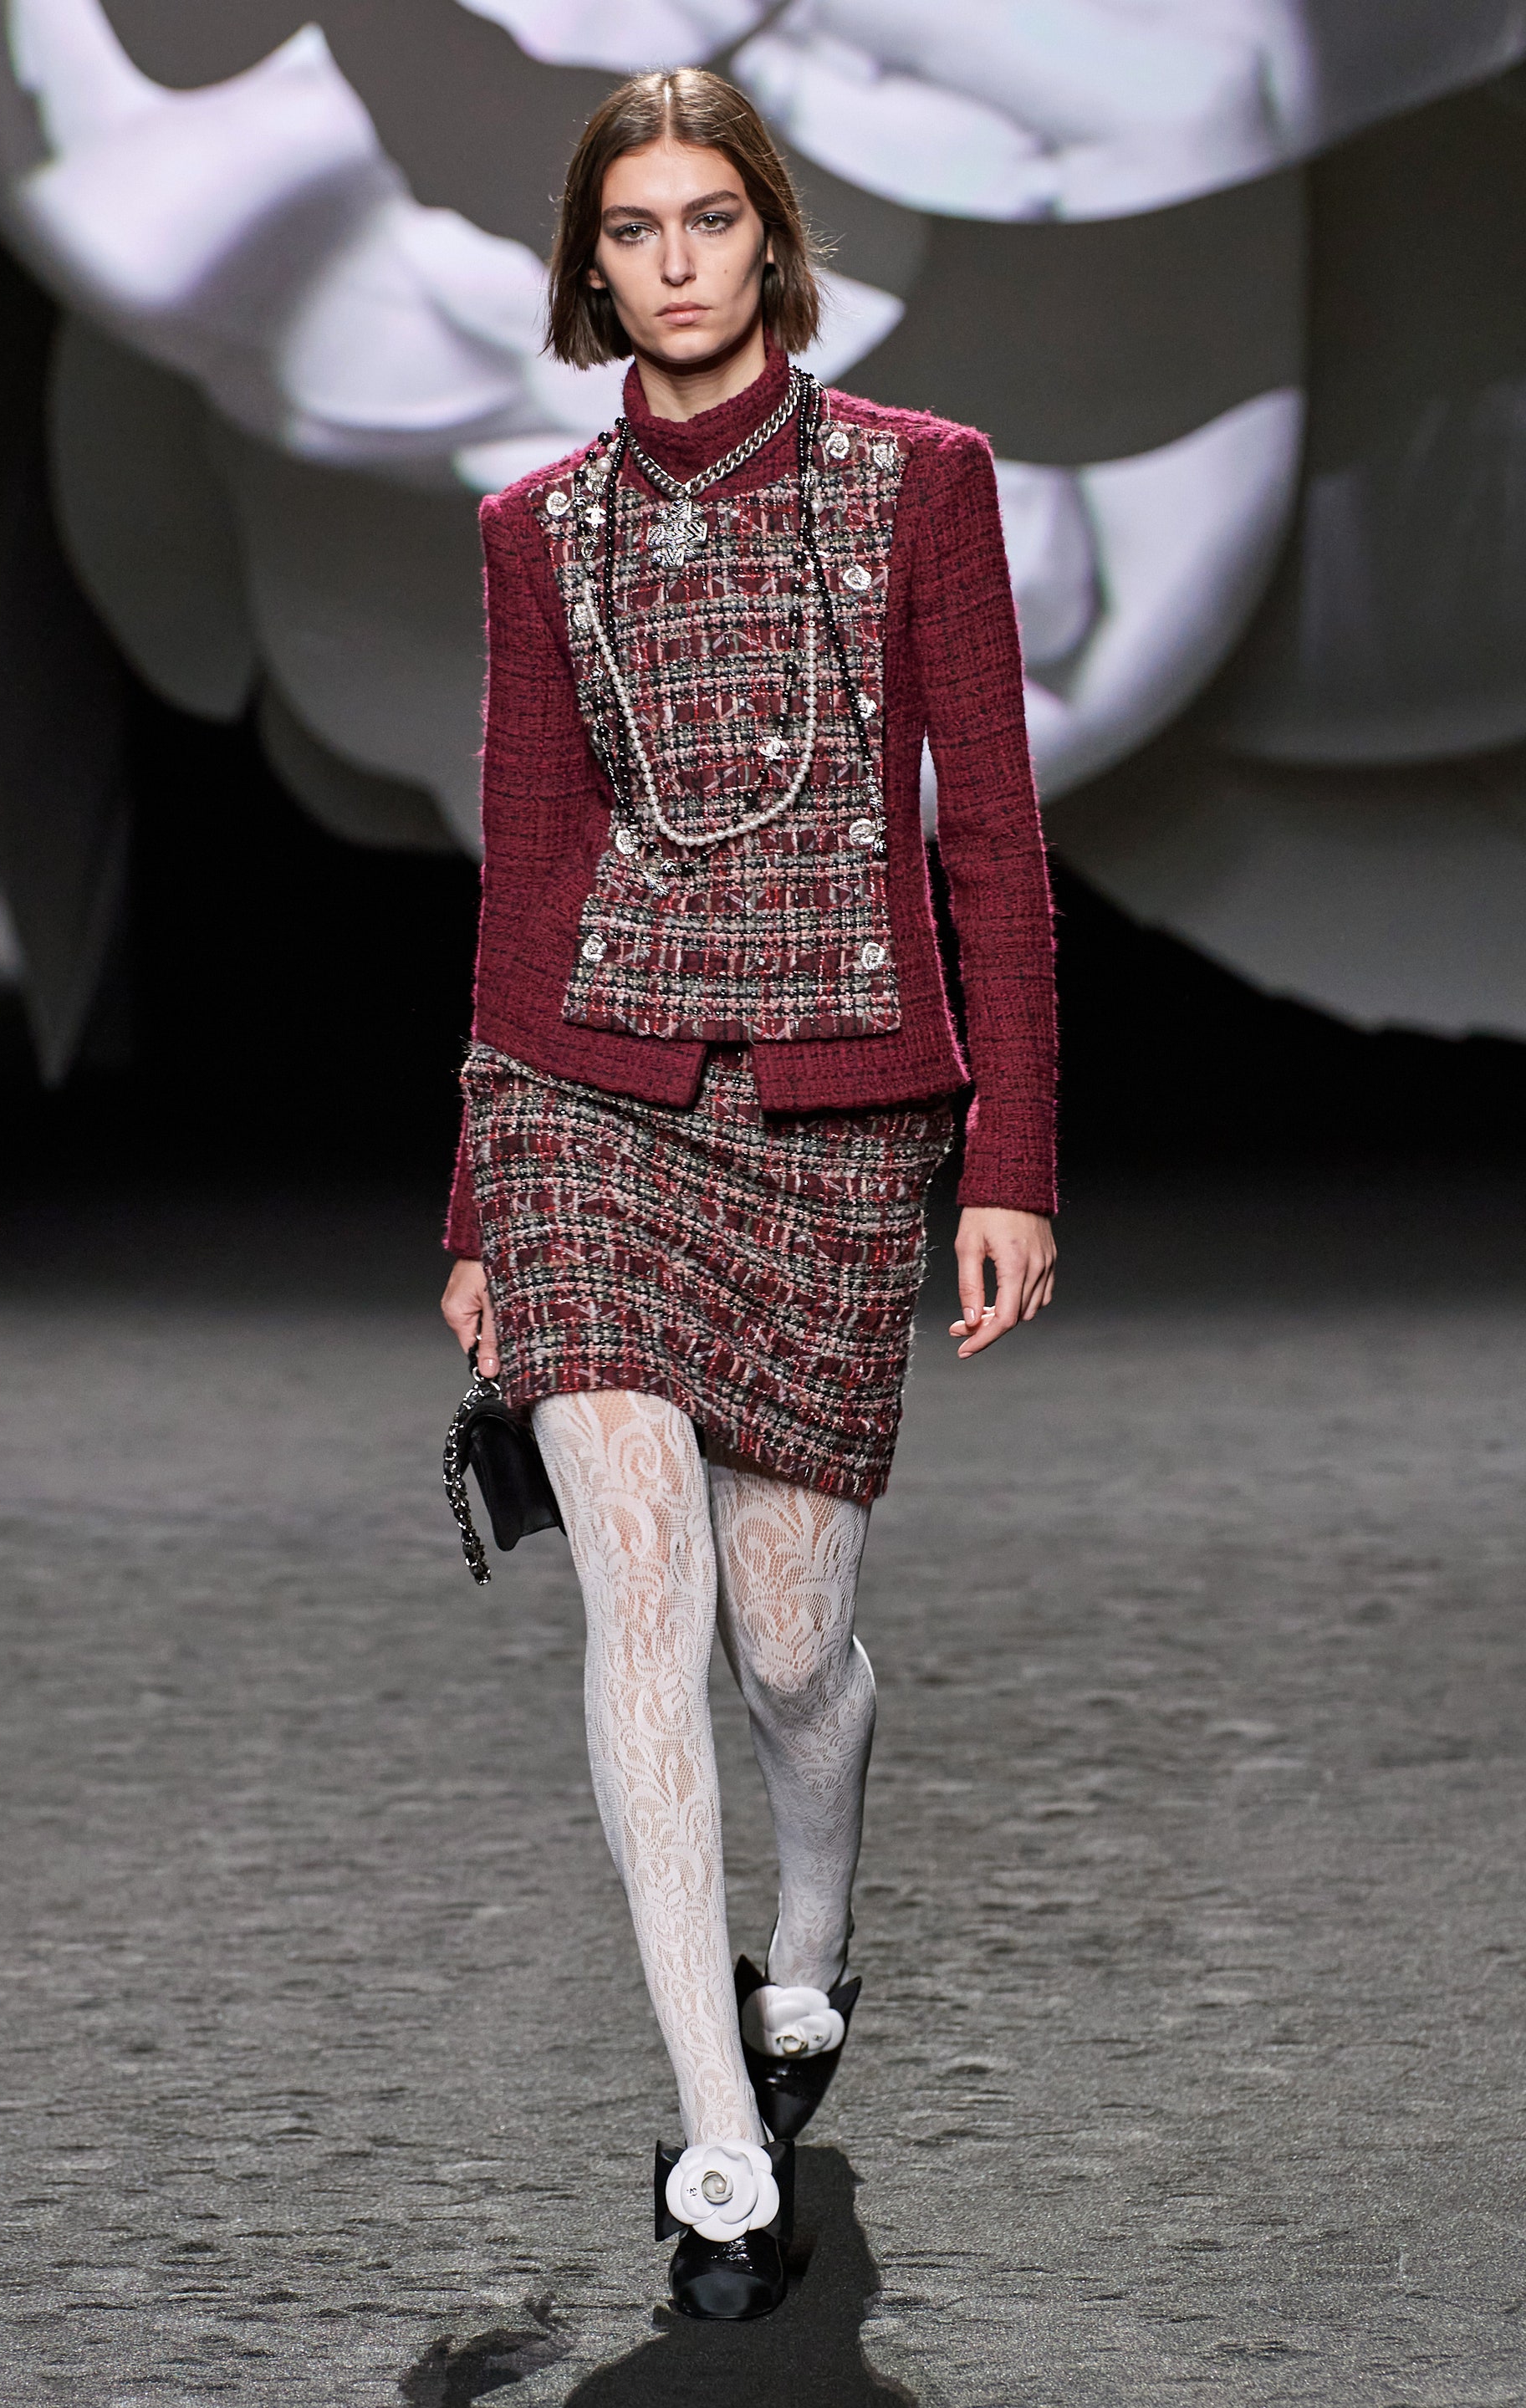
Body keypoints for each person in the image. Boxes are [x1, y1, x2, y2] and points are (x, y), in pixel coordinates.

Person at [440, 66, 1056, 2323]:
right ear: (590, 268)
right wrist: (480, 1203)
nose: (675, 262)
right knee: (644, 1599)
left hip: (837, 1114)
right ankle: (717, 2142)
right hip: (589, 1103)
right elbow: (530, 861)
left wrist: (1010, 1155)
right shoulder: (537, 531)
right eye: (634, 230)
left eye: (709, 219)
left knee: (792, 1644)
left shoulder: (919, 486)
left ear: (770, 241)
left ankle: (810, 1939)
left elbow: (992, 835)